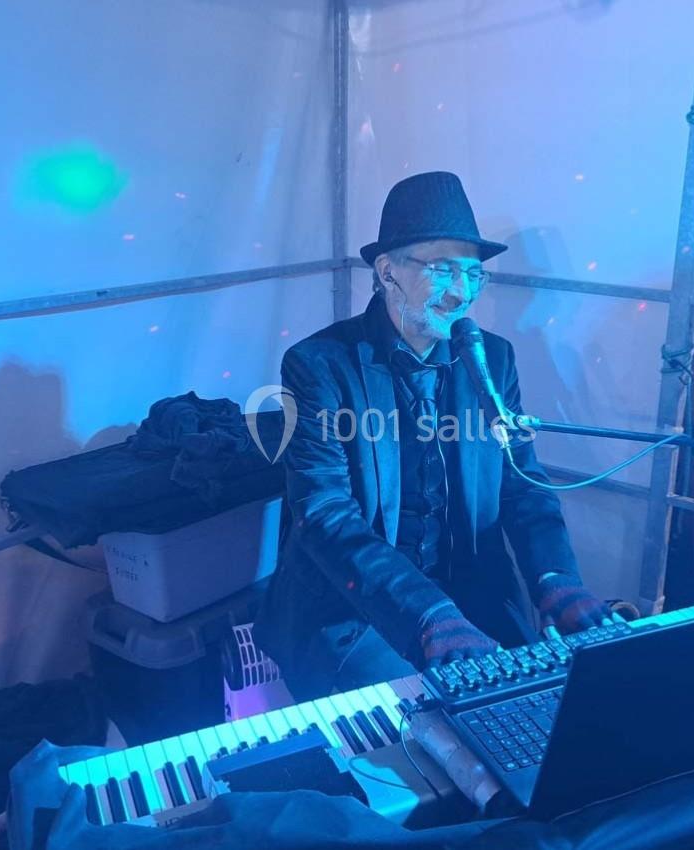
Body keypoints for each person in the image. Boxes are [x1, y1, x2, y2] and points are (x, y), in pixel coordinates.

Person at [254, 171, 629, 702]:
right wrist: (428, 614)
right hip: (353, 606)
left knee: (551, 694)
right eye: (442, 270)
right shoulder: (319, 365)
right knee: (434, 720)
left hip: (470, 591)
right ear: (387, 271)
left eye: (474, 275)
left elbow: (524, 487)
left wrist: (554, 578)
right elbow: (324, 515)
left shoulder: (492, 358)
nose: (462, 293)